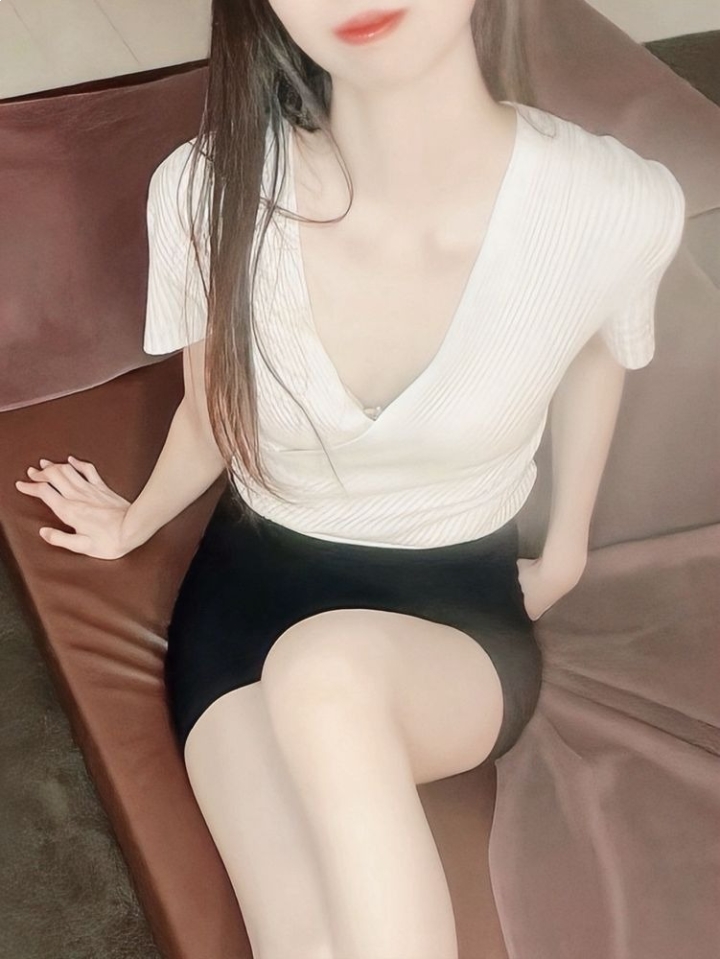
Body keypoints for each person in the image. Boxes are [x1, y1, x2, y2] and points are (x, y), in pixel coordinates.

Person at [15, 2, 688, 958]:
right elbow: (212, 412)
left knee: (328, 671)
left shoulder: (614, 205)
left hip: (457, 618)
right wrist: (134, 523)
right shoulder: (208, 189)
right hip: (249, 604)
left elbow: (596, 351)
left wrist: (566, 550)